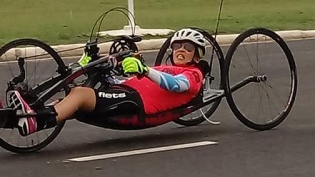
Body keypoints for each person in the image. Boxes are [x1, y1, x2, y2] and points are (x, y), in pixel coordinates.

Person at [7, 28, 207, 136]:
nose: (181, 49)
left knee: (80, 95)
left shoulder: (193, 75)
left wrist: (145, 70)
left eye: (188, 47)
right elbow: (130, 80)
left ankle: (35, 120)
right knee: (71, 97)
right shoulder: (163, 67)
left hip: (136, 103)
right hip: (124, 91)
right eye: (177, 46)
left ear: (196, 55)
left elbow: (175, 85)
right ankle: (26, 115)